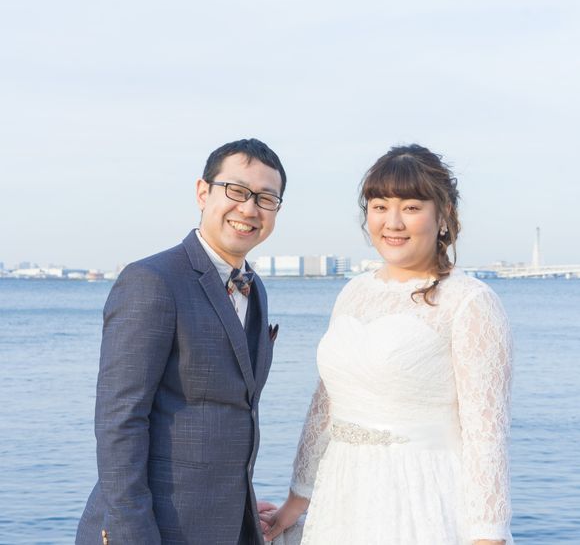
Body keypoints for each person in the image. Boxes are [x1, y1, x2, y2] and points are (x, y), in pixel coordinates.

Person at [263, 144, 513, 545]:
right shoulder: (353, 292)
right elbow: (325, 404)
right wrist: (296, 500)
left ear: (443, 214)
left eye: (411, 207)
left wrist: (488, 536)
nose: (392, 222)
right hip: (341, 495)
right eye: (380, 206)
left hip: (422, 499)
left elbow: (486, 435)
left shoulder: (470, 302)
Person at [76, 138, 286, 545]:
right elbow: (120, 421)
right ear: (203, 192)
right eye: (237, 191)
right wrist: (134, 535)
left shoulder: (255, 288)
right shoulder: (152, 280)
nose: (249, 209)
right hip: (152, 528)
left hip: (226, 526)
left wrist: (242, 508)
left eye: (266, 198)